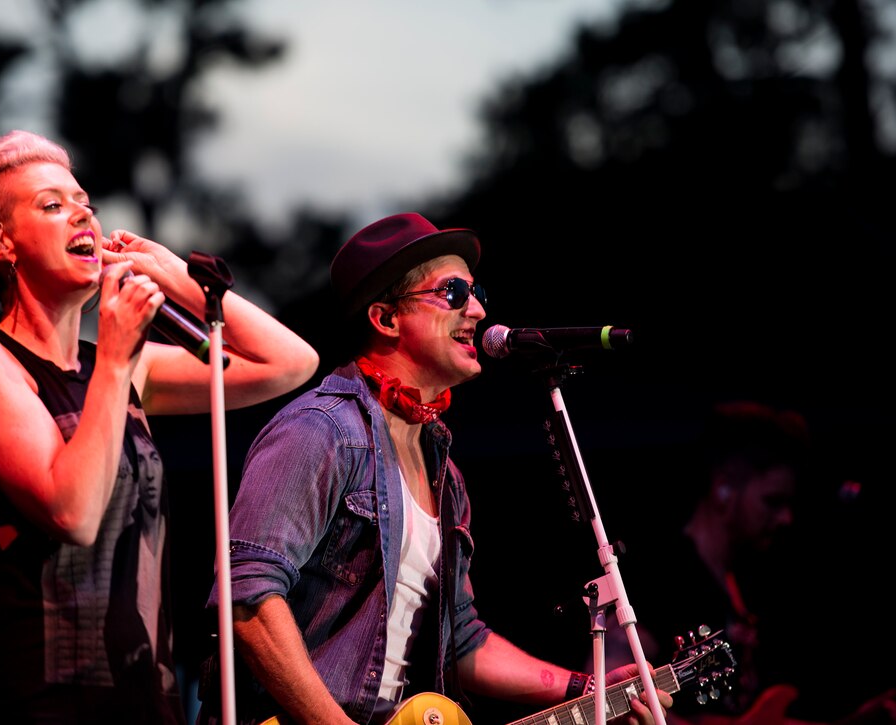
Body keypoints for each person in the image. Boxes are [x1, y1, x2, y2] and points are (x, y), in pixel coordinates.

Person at [195, 212, 673, 725]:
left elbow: (461, 638)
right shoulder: (321, 431)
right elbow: (247, 597)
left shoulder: (445, 472)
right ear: (385, 318)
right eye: (453, 292)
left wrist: (589, 688)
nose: (479, 309)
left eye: (476, 291)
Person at [0, 129, 319, 723]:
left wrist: (172, 274)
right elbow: (72, 512)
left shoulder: (121, 366)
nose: (82, 214)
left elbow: (289, 364)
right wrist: (115, 357)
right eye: (53, 205)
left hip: (144, 699)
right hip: (32, 702)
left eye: (84, 201)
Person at [595, 401, 896, 725]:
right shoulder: (663, 574)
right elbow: (611, 694)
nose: (787, 518)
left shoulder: (753, 582)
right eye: (772, 501)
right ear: (724, 487)